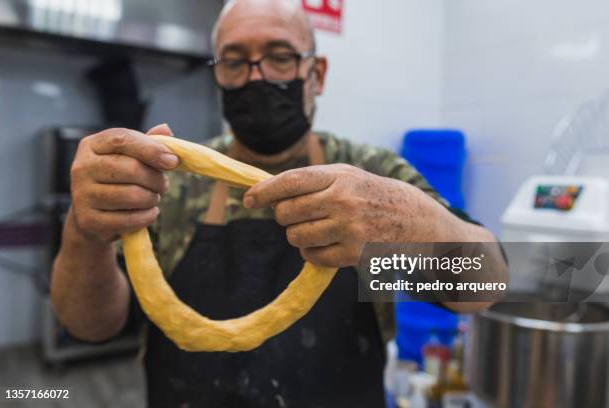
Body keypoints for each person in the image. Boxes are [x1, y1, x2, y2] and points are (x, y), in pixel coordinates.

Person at [50, 0, 508, 406]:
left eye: (280, 56)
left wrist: (413, 229)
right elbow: (90, 326)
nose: (257, 76)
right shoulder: (167, 182)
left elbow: (489, 286)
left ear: (318, 73)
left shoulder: (371, 173)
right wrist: (84, 233)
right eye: (234, 61)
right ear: (217, 76)